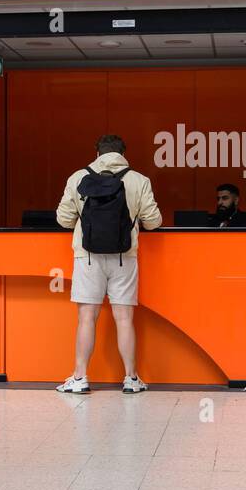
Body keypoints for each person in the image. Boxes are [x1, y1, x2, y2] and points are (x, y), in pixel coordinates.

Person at [54, 134, 162, 394]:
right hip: (125, 257)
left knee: (87, 317)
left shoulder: (78, 178)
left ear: (97, 152)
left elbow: (63, 219)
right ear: (124, 152)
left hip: (87, 257)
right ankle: (131, 379)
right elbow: (154, 221)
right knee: (124, 318)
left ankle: (80, 378)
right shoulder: (139, 180)